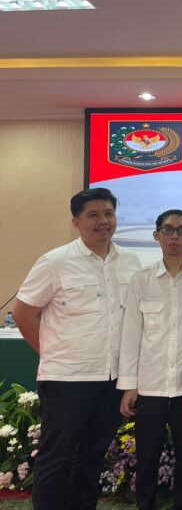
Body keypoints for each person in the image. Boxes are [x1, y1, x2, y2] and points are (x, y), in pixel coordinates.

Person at [11, 187, 141, 510]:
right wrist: (51, 353)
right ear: (76, 221)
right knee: (56, 459)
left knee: (92, 458)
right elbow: (23, 313)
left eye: (108, 214)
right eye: (93, 215)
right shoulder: (56, 261)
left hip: (111, 380)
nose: (103, 221)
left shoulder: (131, 261)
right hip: (66, 380)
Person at [117, 209, 182, 510]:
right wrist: (130, 385)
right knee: (147, 457)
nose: (174, 236)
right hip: (151, 387)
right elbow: (131, 335)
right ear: (156, 235)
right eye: (168, 229)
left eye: (181, 230)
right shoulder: (142, 280)